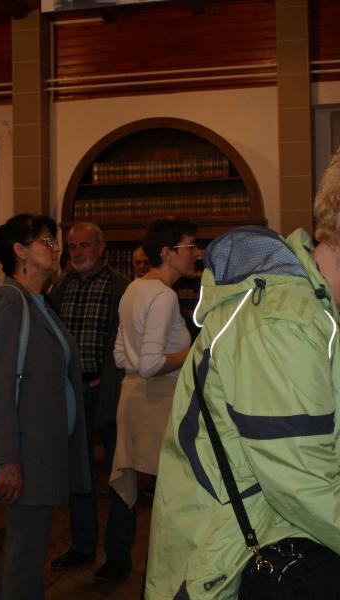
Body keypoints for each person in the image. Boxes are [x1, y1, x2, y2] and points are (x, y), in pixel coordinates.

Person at [146, 149, 340, 599]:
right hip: (224, 560)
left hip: (259, 539)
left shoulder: (313, 308)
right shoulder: (284, 321)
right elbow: (301, 482)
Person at [0, 214, 90, 600]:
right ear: (20, 251)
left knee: (34, 548)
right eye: (46, 241)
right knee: (24, 553)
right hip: (24, 452)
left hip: (44, 449)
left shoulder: (40, 302)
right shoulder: (8, 301)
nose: (56, 248)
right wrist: (7, 458)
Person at [49, 221, 135, 582]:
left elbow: (128, 341)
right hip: (71, 392)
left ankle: (118, 554)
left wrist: (107, 377)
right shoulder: (59, 287)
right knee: (78, 473)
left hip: (110, 391)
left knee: (120, 475)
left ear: (101, 248)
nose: (78, 252)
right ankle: (83, 546)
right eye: (73, 246)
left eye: (85, 245)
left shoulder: (122, 287)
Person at [110, 217, 198, 511]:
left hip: (135, 405)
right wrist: (196, 351)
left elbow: (120, 356)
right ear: (166, 253)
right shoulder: (164, 295)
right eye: (190, 246)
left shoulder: (133, 288)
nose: (196, 253)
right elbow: (150, 365)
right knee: (175, 504)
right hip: (159, 407)